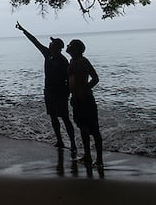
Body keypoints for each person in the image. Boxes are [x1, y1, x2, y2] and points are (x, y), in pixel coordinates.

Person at [16, 21, 77, 155]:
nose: (49, 44)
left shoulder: (63, 61)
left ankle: (73, 143)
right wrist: (23, 30)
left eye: (51, 44)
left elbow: (68, 79)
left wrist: (68, 94)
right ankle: (60, 140)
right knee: (53, 117)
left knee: (65, 118)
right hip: (49, 91)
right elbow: (35, 41)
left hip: (60, 93)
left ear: (57, 47)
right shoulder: (47, 54)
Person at [66, 39, 104, 168]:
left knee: (94, 129)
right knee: (82, 127)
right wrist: (72, 95)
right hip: (76, 99)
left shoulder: (83, 61)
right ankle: (87, 155)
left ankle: (99, 159)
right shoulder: (72, 61)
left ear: (76, 49)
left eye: (70, 45)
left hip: (86, 99)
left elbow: (95, 78)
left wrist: (85, 89)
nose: (68, 46)